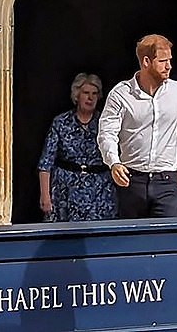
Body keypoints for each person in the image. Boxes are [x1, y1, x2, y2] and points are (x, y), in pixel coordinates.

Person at [97, 34, 177, 219]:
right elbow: (107, 133)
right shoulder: (121, 94)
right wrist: (113, 162)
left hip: (168, 180)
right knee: (132, 243)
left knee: (167, 242)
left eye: (169, 60)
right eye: (162, 61)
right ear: (146, 61)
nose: (168, 66)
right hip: (132, 180)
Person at [37, 73, 117, 222]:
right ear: (76, 95)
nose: (90, 98)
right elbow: (46, 162)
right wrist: (45, 195)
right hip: (65, 192)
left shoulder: (106, 122)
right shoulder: (61, 122)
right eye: (86, 93)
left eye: (94, 94)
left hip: (99, 192)